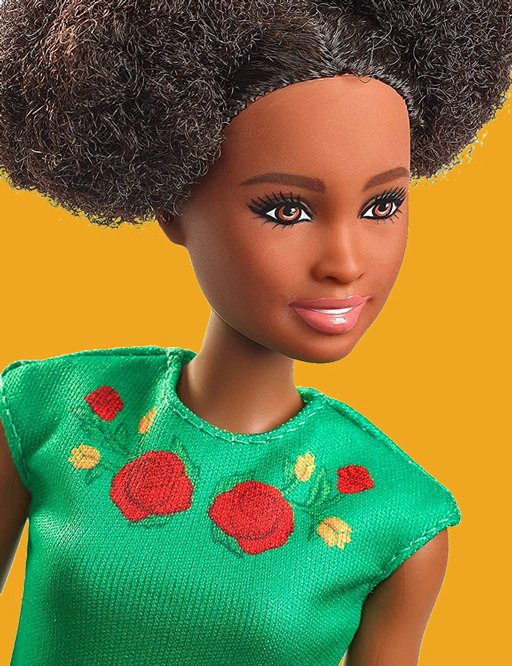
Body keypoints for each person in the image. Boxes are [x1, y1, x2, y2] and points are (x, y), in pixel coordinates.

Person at [0, 2, 510, 665]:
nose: (346, 262)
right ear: (172, 201)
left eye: (381, 205)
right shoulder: (49, 412)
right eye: (287, 210)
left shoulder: (397, 517)